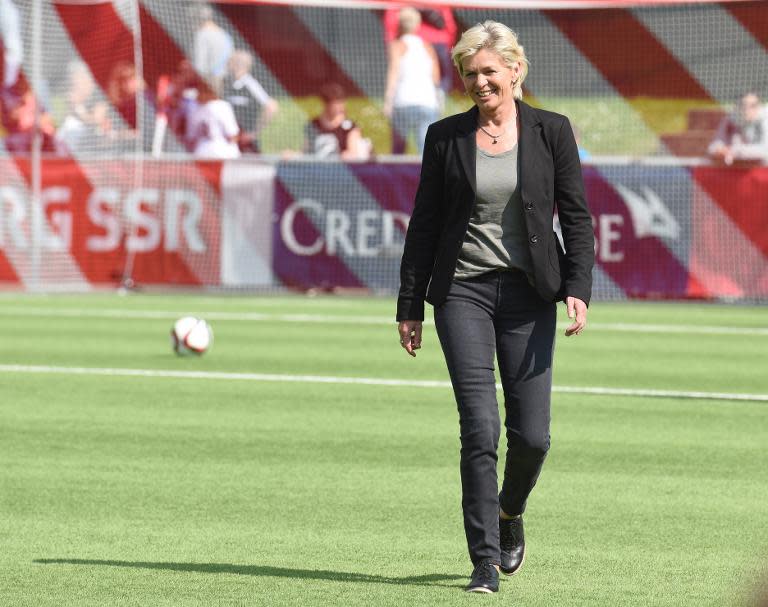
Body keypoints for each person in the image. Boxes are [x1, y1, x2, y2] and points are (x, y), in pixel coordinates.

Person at [396, 21, 594, 594]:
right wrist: (411, 304)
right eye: (469, 73)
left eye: (489, 71)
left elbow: (575, 217)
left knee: (531, 437)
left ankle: (510, 512)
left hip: (530, 295)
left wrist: (577, 284)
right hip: (462, 291)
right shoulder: (444, 137)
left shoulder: (551, 130)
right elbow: (425, 225)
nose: (479, 82)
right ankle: (483, 560)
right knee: (479, 427)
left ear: (515, 70)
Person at [384, 7, 440, 155]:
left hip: (403, 102)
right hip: (428, 102)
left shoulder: (397, 45)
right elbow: (436, 78)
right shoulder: (428, 47)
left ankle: (397, 178)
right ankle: (425, 179)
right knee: (426, 152)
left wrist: (388, 100)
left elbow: (394, 72)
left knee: (398, 151)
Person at [222, 50, 278, 154]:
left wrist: (254, 134)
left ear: (238, 64)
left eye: (230, 61)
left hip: (246, 146)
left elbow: (272, 107)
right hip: (228, 142)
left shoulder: (251, 85)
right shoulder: (227, 83)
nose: (227, 64)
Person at [304, 83, 369, 160]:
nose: (341, 106)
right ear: (326, 104)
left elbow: (353, 152)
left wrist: (344, 156)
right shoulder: (314, 125)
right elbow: (306, 151)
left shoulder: (349, 126)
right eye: (336, 103)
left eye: (342, 102)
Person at [708, 92, 768, 164]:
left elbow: (764, 151)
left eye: (753, 106)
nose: (747, 109)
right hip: (735, 169)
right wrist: (720, 150)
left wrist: (734, 150)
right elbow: (713, 147)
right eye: (743, 105)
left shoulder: (764, 121)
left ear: (759, 106)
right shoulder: (729, 120)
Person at [186, 84, 240, 158]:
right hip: (224, 151)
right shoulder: (222, 106)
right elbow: (232, 134)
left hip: (202, 151)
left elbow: (191, 138)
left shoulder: (194, 110)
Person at [193, 4, 233, 91]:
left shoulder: (203, 34)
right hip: (224, 78)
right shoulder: (223, 33)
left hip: (210, 79)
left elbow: (200, 64)